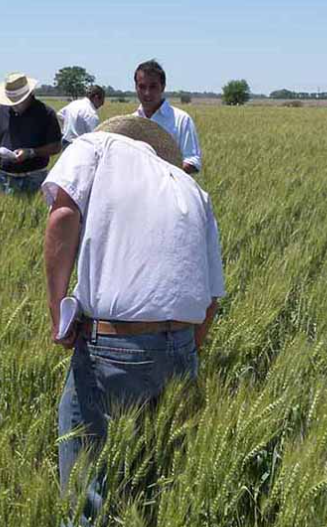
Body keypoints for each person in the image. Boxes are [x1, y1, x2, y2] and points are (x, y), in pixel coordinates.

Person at [42, 116, 225, 523]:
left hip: (112, 344)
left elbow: (62, 215)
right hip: (181, 344)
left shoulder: (95, 147)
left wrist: (58, 312)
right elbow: (212, 300)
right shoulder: (192, 187)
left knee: (86, 487)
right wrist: (179, 351)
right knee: (159, 479)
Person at [0, 72, 62, 194]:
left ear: (29, 95)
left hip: (35, 178)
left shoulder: (46, 113)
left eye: (17, 100)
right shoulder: (1, 110)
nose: (13, 104)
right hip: (5, 177)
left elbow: (56, 147)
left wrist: (31, 152)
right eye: (11, 101)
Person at [132, 59, 202, 174]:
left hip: (171, 190)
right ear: (136, 87)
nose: (147, 93)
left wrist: (161, 175)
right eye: (142, 87)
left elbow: (193, 161)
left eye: (153, 86)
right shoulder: (130, 122)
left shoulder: (181, 120)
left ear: (163, 86)